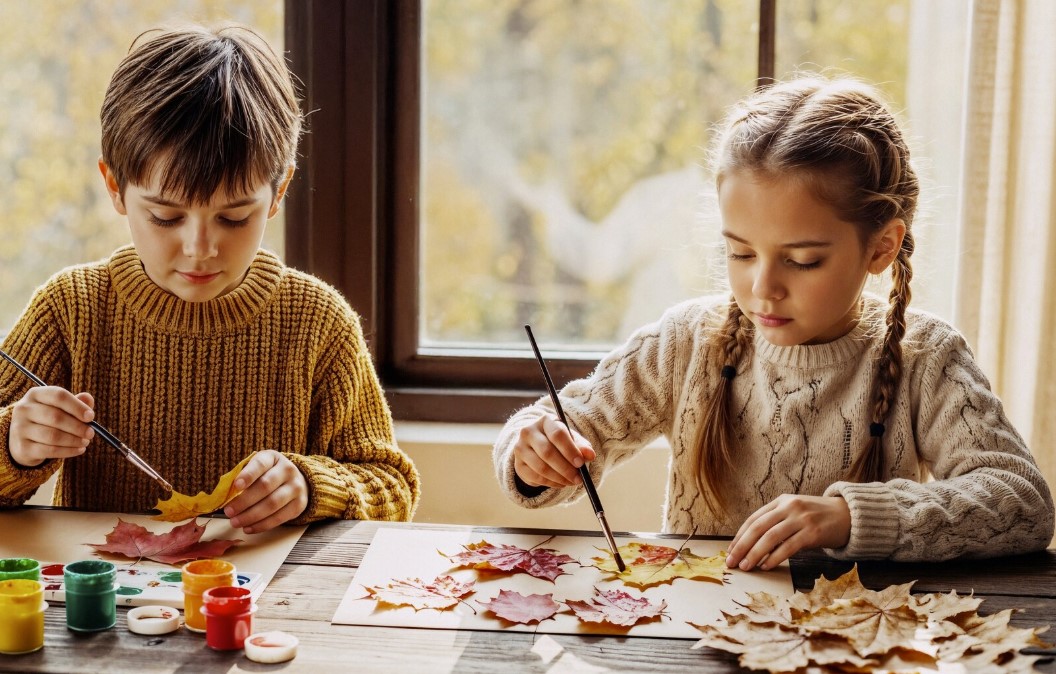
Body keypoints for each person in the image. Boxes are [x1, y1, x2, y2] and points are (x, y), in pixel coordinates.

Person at [493, 75, 1054, 569]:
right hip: (696, 639)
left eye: (803, 260)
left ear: (881, 247)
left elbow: (1022, 503)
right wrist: (533, 451)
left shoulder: (925, 357)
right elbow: (566, 425)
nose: (762, 288)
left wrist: (849, 518)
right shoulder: (686, 342)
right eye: (739, 253)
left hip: (857, 649)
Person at [0, 24, 420, 532]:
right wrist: (15, 445)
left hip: (268, 604)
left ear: (279, 189)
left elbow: (392, 488)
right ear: (115, 187)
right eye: (165, 217)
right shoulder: (72, 309)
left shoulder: (318, 323)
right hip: (106, 608)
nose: (201, 248)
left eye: (235, 217)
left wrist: (312, 486)